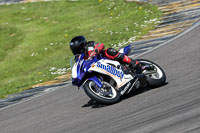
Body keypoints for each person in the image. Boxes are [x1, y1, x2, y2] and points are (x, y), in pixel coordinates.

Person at [69, 36, 141, 69]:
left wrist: (95, 51)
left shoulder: (90, 44)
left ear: (82, 45)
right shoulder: (77, 58)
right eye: (74, 50)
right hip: (96, 68)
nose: (76, 52)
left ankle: (132, 62)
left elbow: (100, 45)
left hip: (105, 59)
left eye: (77, 49)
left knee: (109, 51)